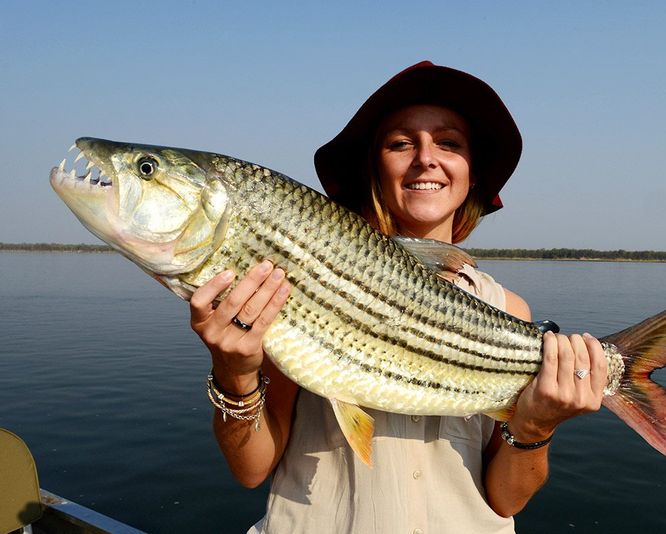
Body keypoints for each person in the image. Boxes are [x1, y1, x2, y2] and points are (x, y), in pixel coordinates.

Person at [189, 61, 609, 533]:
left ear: (472, 173)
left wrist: (535, 428)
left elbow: (507, 500)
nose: (425, 158)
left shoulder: (509, 310)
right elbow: (251, 470)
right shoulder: (297, 278)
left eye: (448, 143)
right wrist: (233, 373)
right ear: (376, 169)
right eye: (400, 143)